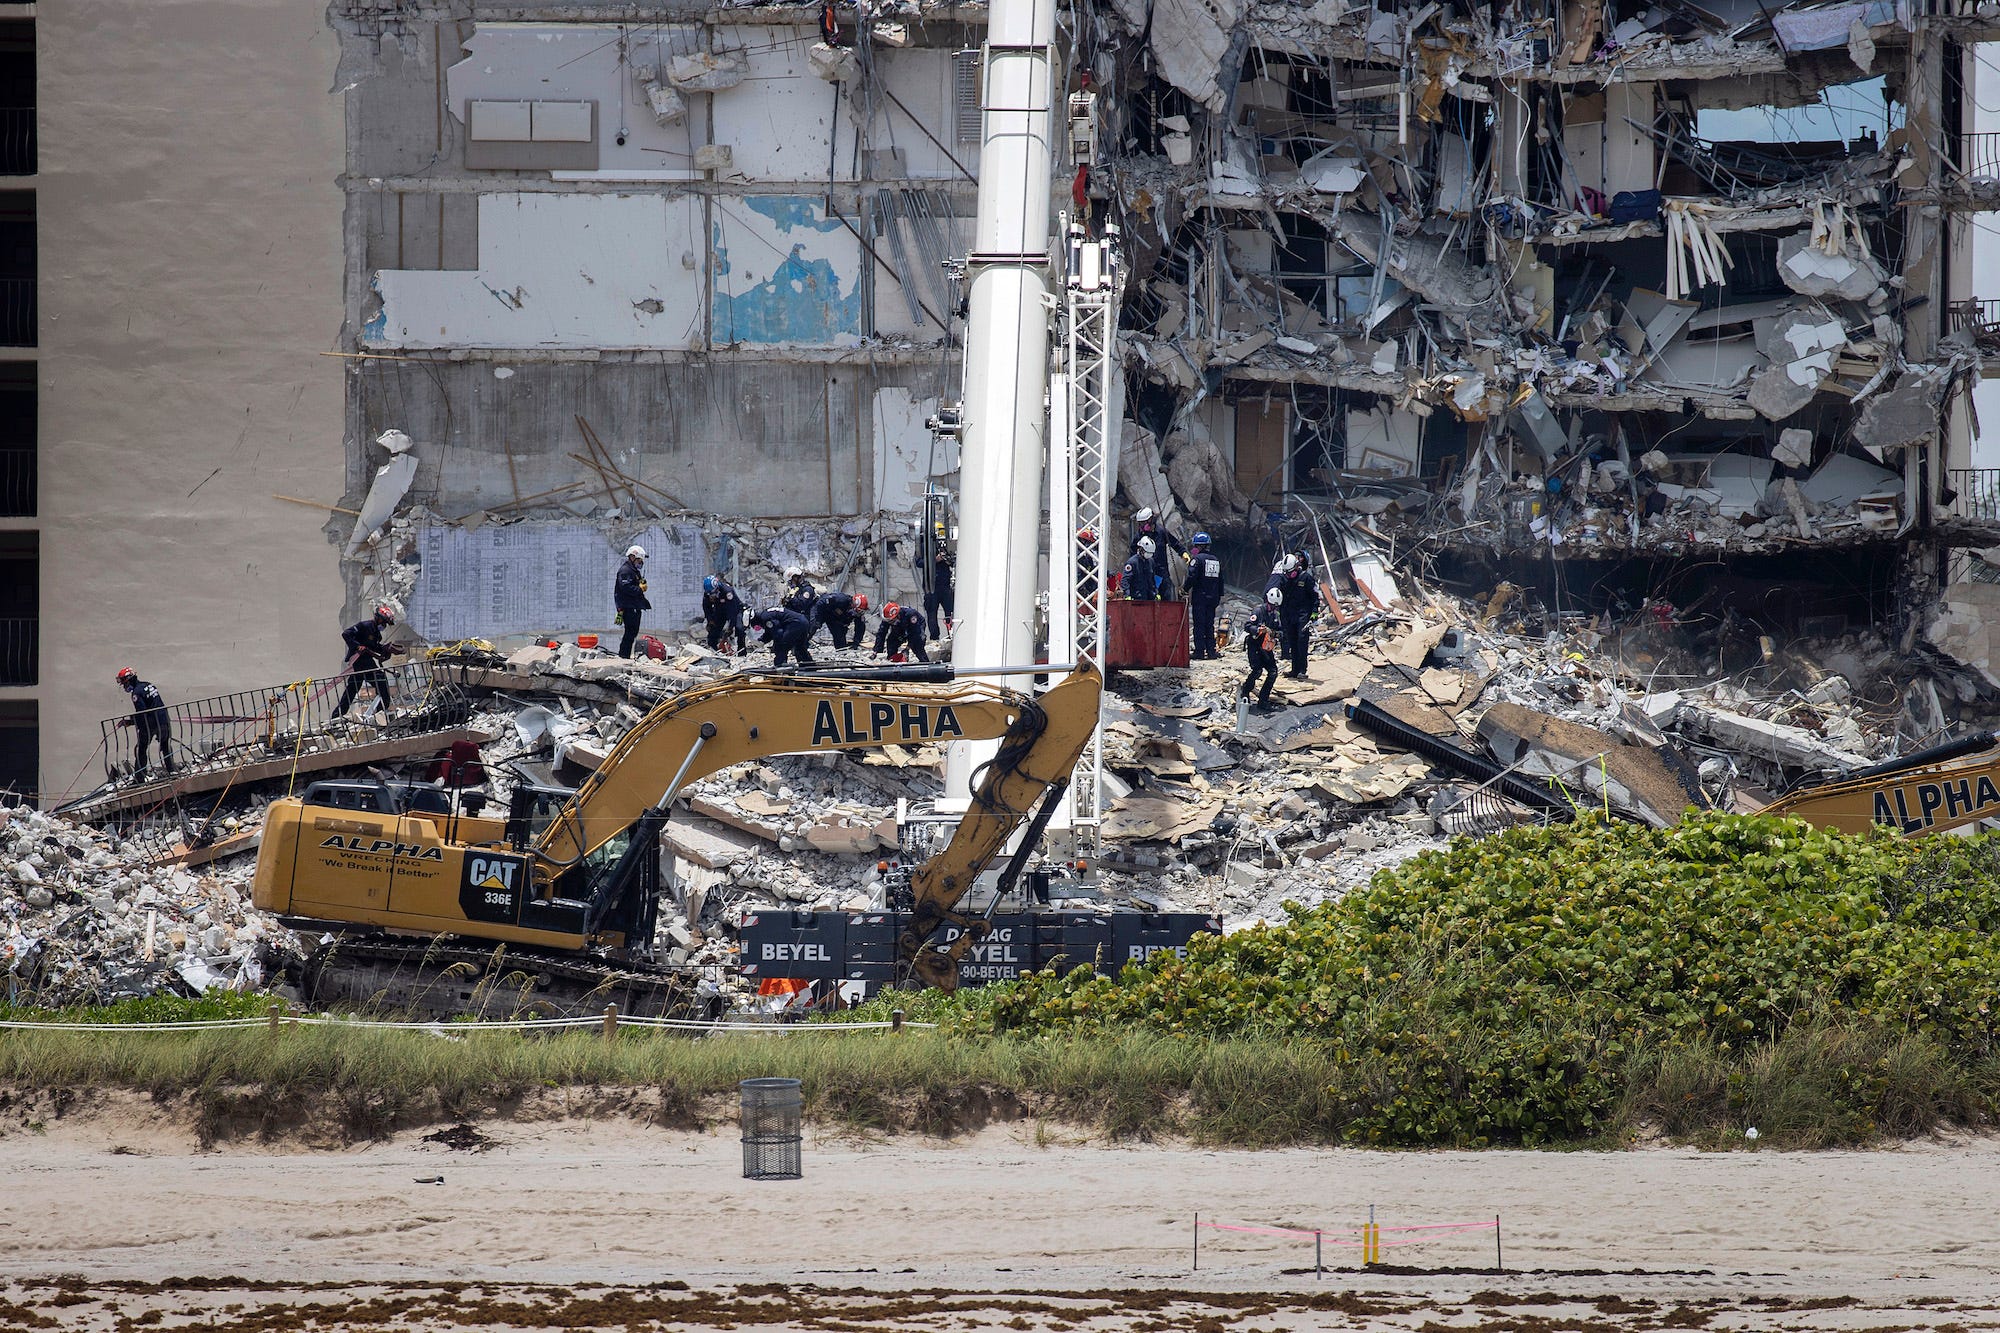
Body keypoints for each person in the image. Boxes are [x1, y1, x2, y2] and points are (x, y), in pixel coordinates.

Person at [335, 605, 404, 718]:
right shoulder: (364, 626)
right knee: (381, 681)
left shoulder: (377, 634)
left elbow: (374, 647)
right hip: (360, 661)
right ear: (378, 618)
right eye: (384, 622)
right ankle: (380, 714)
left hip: (366, 662)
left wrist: (385, 649)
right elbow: (346, 634)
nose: (384, 625)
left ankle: (337, 716)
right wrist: (358, 647)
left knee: (352, 690)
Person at [115, 668, 175, 778]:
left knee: (141, 750)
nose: (124, 687)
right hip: (163, 719)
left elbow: (142, 713)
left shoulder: (136, 693)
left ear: (129, 680)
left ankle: (139, 777)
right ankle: (172, 771)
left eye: (124, 684)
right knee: (166, 746)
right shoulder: (148, 685)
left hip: (150, 723)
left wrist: (130, 722)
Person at [1276, 554, 1318, 679]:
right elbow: (1281, 597)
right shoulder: (1284, 579)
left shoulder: (1306, 578)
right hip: (1289, 615)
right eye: (1287, 573)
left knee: (1302, 641)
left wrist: (1314, 612)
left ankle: (1302, 670)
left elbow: (1314, 596)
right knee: (1292, 641)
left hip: (1302, 614)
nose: (1289, 575)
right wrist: (1280, 612)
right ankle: (1294, 670)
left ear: (1297, 567)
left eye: (1291, 572)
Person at [1240, 589, 1282, 709]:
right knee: (1257, 671)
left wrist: (1275, 634)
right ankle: (1245, 690)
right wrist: (1257, 629)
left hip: (1267, 647)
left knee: (1273, 672)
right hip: (1255, 645)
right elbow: (1247, 626)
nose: (1273, 608)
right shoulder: (1258, 611)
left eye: (1275, 607)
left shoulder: (1275, 615)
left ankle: (1263, 700)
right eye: (1272, 606)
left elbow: (1281, 631)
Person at [1132, 507, 1186, 598]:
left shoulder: (1161, 532)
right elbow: (1132, 551)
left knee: (1165, 596)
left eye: (1144, 522)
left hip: (1161, 572)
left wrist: (1183, 552)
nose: (1142, 525)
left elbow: (1174, 543)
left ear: (1151, 520)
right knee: (1148, 597)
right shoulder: (1139, 535)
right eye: (1140, 523)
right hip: (1146, 573)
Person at [1186, 532, 1224, 660]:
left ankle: (1199, 652)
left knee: (1199, 625)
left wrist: (1185, 589)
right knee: (1209, 624)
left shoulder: (1197, 560)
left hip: (1200, 598)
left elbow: (1192, 577)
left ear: (1199, 546)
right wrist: (1219, 595)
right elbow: (1221, 580)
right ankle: (1211, 651)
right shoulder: (1215, 560)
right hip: (1213, 598)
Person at [614, 545, 651, 659]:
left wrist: (641, 582)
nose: (641, 562)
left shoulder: (633, 570)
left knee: (632, 632)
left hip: (633, 605)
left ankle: (625, 656)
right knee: (630, 633)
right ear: (633, 557)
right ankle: (624, 656)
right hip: (629, 606)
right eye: (639, 560)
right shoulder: (625, 571)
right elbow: (626, 588)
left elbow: (634, 583)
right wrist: (640, 589)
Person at [750, 606, 818, 667]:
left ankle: (781, 667)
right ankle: (808, 665)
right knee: (800, 647)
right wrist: (762, 640)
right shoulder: (766, 615)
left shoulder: (765, 618)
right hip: (803, 622)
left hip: (795, 623)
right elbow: (770, 631)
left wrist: (774, 646)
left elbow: (778, 632)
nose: (755, 628)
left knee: (781, 646)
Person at [701, 575, 747, 655]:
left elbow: (733, 611)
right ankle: (713, 650)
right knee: (713, 629)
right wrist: (710, 620)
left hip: (735, 610)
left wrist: (730, 627)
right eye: (710, 594)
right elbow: (706, 607)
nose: (712, 595)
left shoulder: (727, 591)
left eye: (713, 593)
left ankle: (742, 652)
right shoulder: (708, 593)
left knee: (739, 629)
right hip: (720, 611)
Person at [923, 551, 955, 641]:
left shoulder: (947, 547)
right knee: (932, 614)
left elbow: (954, 561)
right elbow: (919, 562)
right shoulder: (925, 545)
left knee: (950, 612)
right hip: (932, 587)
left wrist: (947, 559)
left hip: (945, 586)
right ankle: (934, 638)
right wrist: (935, 560)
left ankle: (951, 634)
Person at [1121, 536, 1159, 601]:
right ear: (1141, 549)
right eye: (1147, 552)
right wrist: (1127, 595)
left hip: (1149, 598)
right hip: (1136, 598)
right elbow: (1125, 580)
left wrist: (1156, 593)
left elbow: (1152, 580)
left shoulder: (1151, 562)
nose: (1149, 555)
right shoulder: (1132, 563)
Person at [1076, 527, 1100, 612]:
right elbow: (1078, 575)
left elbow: (1093, 568)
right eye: (1088, 542)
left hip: (1090, 586)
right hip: (1082, 589)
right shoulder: (1078, 556)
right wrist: (1083, 590)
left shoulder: (1088, 555)